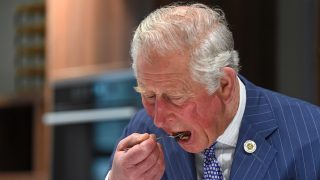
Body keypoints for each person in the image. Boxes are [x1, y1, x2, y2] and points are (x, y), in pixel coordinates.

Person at [105, 3, 320, 180]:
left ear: (224, 84)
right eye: (149, 96)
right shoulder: (141, 129)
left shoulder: (311, 137)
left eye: (176, 98)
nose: (159, 119)